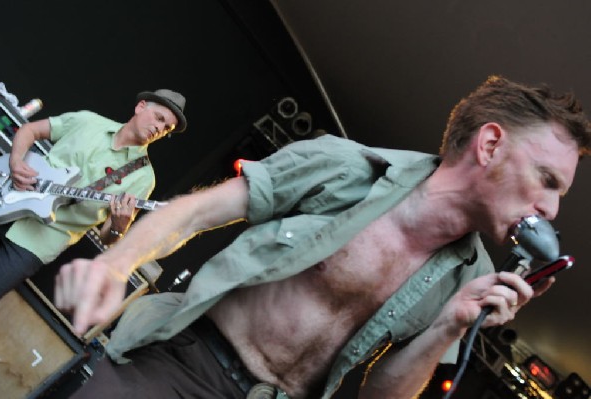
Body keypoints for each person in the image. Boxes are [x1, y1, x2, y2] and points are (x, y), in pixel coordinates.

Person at [55, 76, 591, 399]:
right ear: (490, 144)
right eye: (548, 180)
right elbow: (197, 211)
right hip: (181, 366)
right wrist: (114, 264)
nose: (551, 208)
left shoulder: (470, 282)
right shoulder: (343, 165)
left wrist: (449, 327)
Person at [0, 89, 187, 305]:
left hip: (35, 243)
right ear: (141, 107)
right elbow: (30, 130)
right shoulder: (89, 122)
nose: (159, 128)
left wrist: (119, 227)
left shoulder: (144, 179)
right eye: (159, 118)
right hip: (4, 194)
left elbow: (106, 237)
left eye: (167, 128)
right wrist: (16, 160)